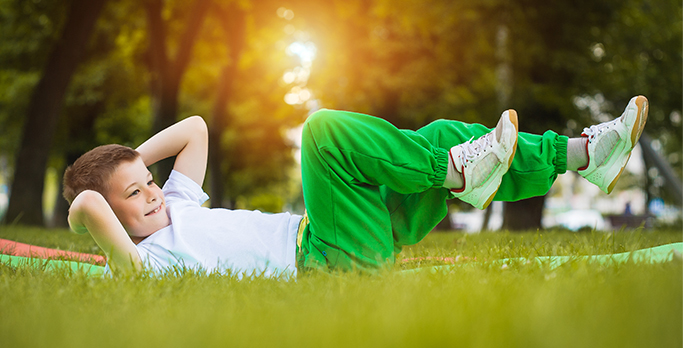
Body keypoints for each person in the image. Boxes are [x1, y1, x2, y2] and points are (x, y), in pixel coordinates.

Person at [63, 95, 649, 276]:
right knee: (322, 132)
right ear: (109, 222)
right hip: (322, 256)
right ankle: (454, 173)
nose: (153, 193)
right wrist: (93, 201)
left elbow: (194, 129)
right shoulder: (147, 259)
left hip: (348, 231)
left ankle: (587, 155)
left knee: (443, 134)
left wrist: (128, 161)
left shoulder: (179, 202)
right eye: (136, 194)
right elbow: (89, 201)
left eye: (149, 182)